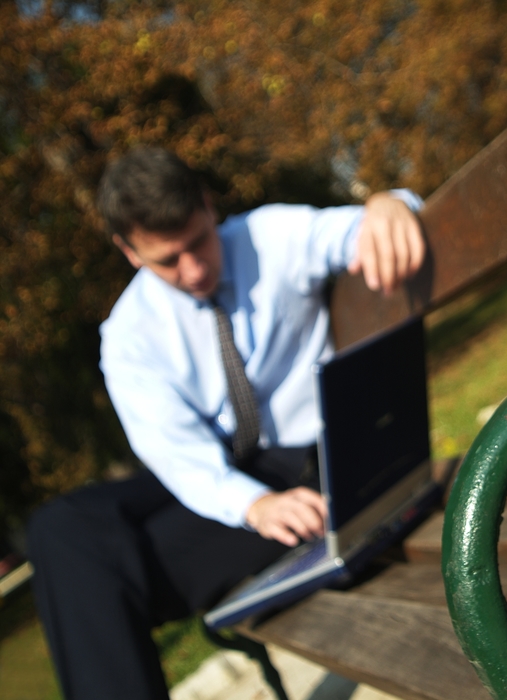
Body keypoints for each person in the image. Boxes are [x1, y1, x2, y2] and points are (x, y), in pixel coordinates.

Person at [27, 147, 426, 699]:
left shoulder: (269, 237)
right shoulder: (130, 337)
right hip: (226, 476)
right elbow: (177, 456)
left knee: (103, 580)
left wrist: (389, 203)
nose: (193, 270)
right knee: (58, 529)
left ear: (209, 207)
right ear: (128, 251)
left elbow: (367, 227)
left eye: (197, 243)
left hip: (308, 461)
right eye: (167, 260)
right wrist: (253, 505)